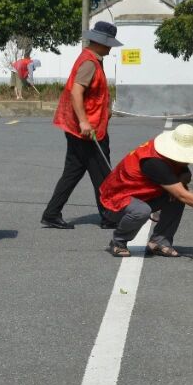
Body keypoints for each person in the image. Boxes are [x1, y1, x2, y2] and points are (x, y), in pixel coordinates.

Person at [100, 123, 193, 257]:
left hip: (141, 195)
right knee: (143, 210)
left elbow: (186, 175)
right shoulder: (154, 162)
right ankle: (118, 241)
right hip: (114, 202)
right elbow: (183, 195)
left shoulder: (170, 155)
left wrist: (179, 183)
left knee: (176, 196)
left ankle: (159, 242)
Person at [41, 20, 123, 230]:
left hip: (85, 126)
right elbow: (76, 92)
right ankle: (109, 216)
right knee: (103, 172)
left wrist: (105, 110)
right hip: (88, 129)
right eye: (108, 43)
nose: (110, 47)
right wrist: (84, 121)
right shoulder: (89, 62)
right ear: (99, 42)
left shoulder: (93, 58)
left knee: (73, 171)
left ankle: (51, 213)